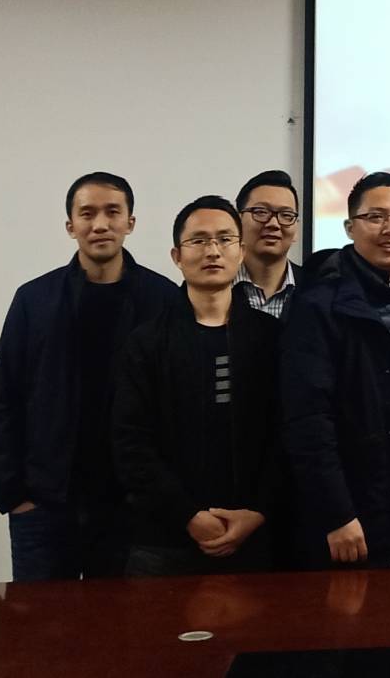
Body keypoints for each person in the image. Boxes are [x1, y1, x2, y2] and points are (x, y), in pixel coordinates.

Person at [0, 172, 177, 581]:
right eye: (87, 214)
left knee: (124, 621)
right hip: (45, 505)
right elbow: (4, 399)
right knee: (43, 620)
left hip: (131, 508)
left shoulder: (163, 299)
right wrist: (13, 495)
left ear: (130, 222)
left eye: (113, 212)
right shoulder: (34, 299)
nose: (100, 224)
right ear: (71, 226)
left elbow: (178, 403)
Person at [280, 172, 390, 569]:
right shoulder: (320, 306)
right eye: (376, 217)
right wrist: (336, 513)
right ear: (349, 227)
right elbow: (308, 420)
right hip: (357, 512)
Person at [112, 196, 282, 576]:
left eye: (225, 239)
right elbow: (130, 442)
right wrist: (188, 515)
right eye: (199, 240)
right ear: (177, 256)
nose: (213, 251)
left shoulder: (271, 337)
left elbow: (286, 433)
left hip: (255, 534)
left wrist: (258, 511)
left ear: (241, 252)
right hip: (163, 541)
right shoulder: (147, 342)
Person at [234, 170, 301, 319]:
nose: (273, 224)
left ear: (296, 229)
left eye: (286, 215)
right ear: (237, 222)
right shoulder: (214, 287)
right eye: (261, 212)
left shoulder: (316, 290)